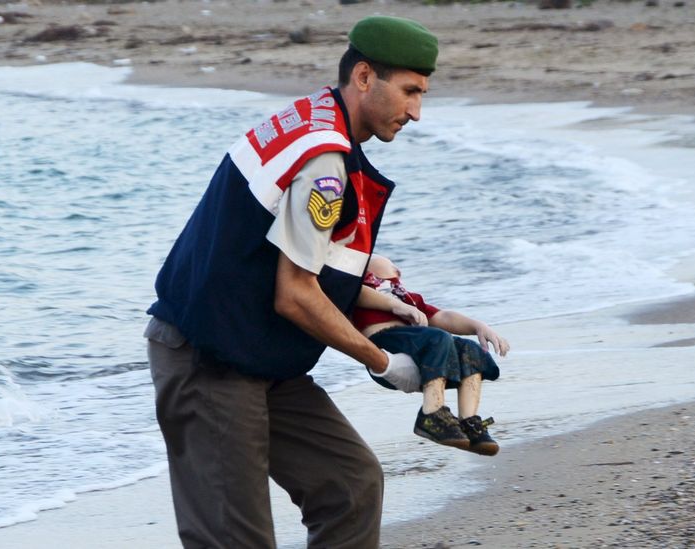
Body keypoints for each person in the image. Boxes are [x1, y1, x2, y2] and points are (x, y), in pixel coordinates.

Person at [144, 16, 439, 549]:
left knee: (350, 487)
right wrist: (383, 363)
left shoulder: (317, 117)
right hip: (207, 359)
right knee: (235, 539)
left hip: (260, 355)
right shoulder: (325, 159)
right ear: (365, 77)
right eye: (410, 91)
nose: (416, 112)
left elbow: (301, 256)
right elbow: (296, 294)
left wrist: (379, 297)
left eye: (422, 94)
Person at [353, 254, 510, 456]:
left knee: (469, 349)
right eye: (390, 264)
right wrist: (395, 305)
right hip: (384, 342)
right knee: (438, 338)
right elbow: (356, 292)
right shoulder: (360, 289)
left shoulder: (407, 298)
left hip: (420, 348)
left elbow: (442, 316)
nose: (396, 269)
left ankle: (468, 422)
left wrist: (478, 326)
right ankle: (432, 413)